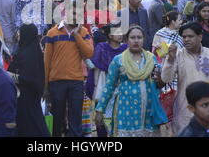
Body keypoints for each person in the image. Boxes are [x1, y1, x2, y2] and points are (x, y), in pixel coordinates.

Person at [95, 26, 168, 137]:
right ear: (126, 40)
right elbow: (109, 86)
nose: (136, 40)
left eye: (139, 37)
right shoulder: (118, 60)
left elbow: (158, 83)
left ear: (144, 39)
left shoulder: (151, 59)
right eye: (132, 37)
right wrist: (100, 110)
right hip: (126, 110)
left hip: (148, 110)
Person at [162, 22, 209, 135]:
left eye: (190, 36)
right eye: (184, 37)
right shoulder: (177, 56)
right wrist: (170, 60)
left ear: (200, 37)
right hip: (185, 111)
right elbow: (166, 79)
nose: (186, 39)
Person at [44, 7, 94, 137]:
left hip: (76, 81)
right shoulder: (52, 33)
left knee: (75, 120)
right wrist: (45, 86)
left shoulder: (83, 32)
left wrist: (76, 34)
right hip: (56, 81)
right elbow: (46, 61)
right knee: (57, 119)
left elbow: (89, 53)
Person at [7, 24, 50, 137]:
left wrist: (8, 75)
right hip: (27, 98)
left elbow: (28, 78)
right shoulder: (29, 50)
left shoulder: (27, 54)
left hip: (26, 98)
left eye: (20, 33)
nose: (18, 35)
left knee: (31, 126)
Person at [85, 24, 127, 137]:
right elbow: (95, 66)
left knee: (120, 116)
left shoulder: (126, 48)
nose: (120, 35)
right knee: (101, 118)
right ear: (109, 35)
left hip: (121, 87)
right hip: (103, 86)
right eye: (116, 32)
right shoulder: (101, 47)